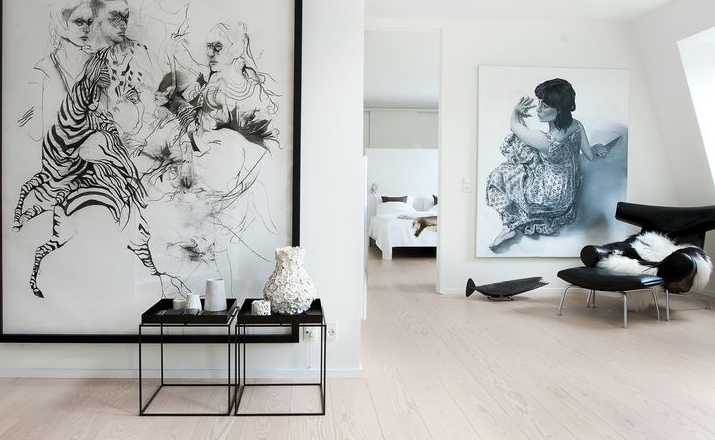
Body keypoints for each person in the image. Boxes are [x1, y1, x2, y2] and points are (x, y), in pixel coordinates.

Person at [486, 78, 610, 250]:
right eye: (539, 103)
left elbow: (514, 126)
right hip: (568, 193)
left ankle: (509, 225)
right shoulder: (576, 125)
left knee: (499, 175)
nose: (538, 109)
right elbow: (589, 155)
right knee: (528, 151)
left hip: (550, 196)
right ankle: (511, 226)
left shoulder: (545, 140)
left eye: (544, 106)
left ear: (559, 110)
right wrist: (595, 148)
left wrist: (516, 112)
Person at [34, 1, 96, 132]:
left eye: (89, 22)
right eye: (79, 22)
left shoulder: (96, 65)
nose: (87, 29)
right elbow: (35, 130)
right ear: (61, 22)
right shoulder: (43, 69)